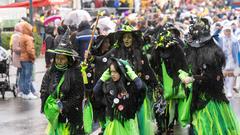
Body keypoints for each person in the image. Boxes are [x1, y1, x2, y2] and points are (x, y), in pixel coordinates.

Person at [181, 18, 240, 134]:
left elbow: (211, 77)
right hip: (200, 95)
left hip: (210, 98)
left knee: (208, 126)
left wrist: (192, 78)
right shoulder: (200, 51)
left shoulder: (211, 53)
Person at [40, 31, 85, 134]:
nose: (59, 61)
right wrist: (49, 105)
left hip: (71, 118)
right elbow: (44, 88)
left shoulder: (76, 73)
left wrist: (64, 106)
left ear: (69, 60)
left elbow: (78, 96)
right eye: (57, 58)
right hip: (56, 117)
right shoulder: (50, 72)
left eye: (62, 59)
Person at [93, 58, 145, 135]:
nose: (112, 74)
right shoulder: (109, 85)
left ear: (121, 71)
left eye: (115, 72)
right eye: (111, 72)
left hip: (127, 126)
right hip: (112, 126)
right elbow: (96, 91)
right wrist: (102, 78)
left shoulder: (130, 86)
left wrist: (133, 75)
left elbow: (141, 88)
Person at [19, 21, 37, 100]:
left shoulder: (22, 37)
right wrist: (33, 57)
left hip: (22, 58)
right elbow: (30, 50)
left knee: (23, 76)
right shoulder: (28, 38)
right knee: (28, 77)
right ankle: (27, 92)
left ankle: (23, 92)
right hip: (28, 59)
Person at [11, 23, 23, 96]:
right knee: (20, 73)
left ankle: (18, 87)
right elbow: (15, 48)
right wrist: (23, 49)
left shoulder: (18, 35)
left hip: (19, 57)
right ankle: (18, 87)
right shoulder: (16, 36)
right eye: (21, 27)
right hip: (18, 57)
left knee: (20, 72)